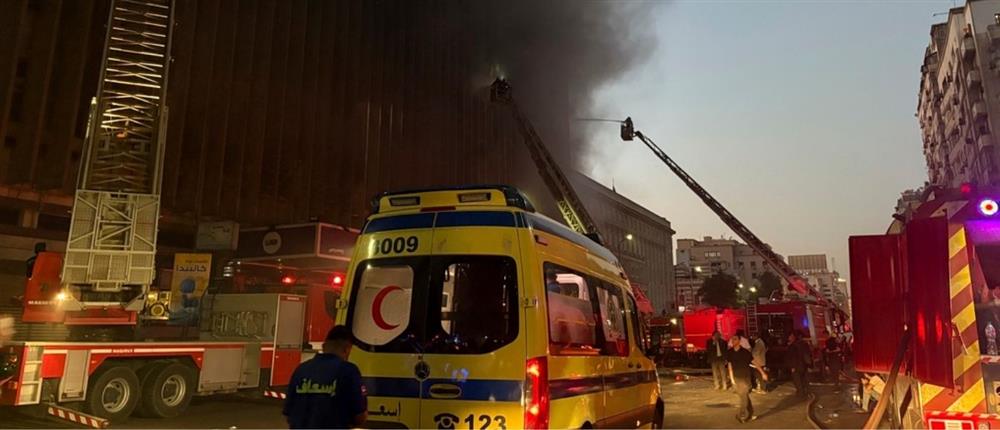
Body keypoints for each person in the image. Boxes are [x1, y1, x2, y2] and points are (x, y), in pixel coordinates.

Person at [284, 325, 368, 429]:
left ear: (324, 346)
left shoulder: (301, 370)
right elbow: (360, 416)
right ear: (347, 349)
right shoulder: (349, 371)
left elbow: (288, 415)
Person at [727, 336, 757, 423]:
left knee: (744, 396)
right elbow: (729, 366)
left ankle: (745, 414)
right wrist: (732, 379)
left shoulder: (745, 352)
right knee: (744, 396)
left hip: (746, 378)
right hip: (737, 378)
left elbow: (753, 362)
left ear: (739, 341)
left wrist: (762, 372)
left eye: (735, 339)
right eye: (732, 339)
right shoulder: (729, 352)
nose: (733, 341)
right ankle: (746, 414)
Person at [788, 330, 812, 398]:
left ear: (794, 337)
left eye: (790, 336)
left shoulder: (792, 346)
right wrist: (809, 365)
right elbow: (808, 354)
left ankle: (801, 393)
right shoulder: (804, 344)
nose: (789, 338)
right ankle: (807, 392)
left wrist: (792, 367)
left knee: (797, 381)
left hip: (796, 366)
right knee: (804, 379)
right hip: (804, 365)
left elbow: (792, 357)